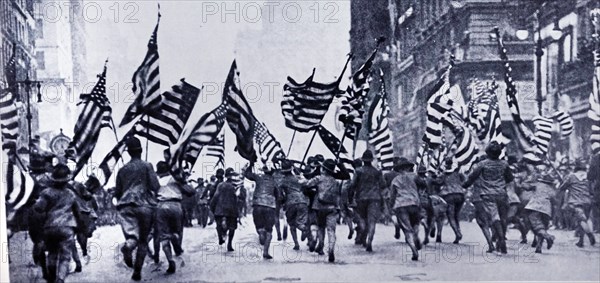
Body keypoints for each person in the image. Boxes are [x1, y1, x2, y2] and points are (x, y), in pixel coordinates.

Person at [114, 137, 160, 281]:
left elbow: (118, 193)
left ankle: (128, 246)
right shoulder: (147, 165)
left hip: (125, 206)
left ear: (128, 152)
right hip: (144, 205)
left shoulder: (122, 170)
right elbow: (155, 186)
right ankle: (137, 272)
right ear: (140, 151)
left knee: (132, 236)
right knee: (143, 240)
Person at [33, 164, 82, 283]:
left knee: (52, 253)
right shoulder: (71, 194)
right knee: (65, 257)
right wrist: (80, 226)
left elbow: (39, 208)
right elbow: (78, 212)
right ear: (67, 180)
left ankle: (51, 276)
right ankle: (60, 279)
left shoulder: (47, 193)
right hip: (67, 227)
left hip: (50, 227)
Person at [462, 142, 513, 254]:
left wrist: (464, 185)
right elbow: (509, 179)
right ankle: (502, 239)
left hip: (487, 194)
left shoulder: (482, 164)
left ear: (488, 152)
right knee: (503, 218)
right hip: (502, 193)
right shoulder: (504, 164)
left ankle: (501, 239)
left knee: (495, 218)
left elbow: (472, 178)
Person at [304, 159, 350, 262]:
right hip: (333, 207)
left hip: (319, 207)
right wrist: (340, 164)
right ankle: (331, 250)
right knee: (331, 230)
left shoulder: (318, 178)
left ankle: (320, 245)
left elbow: (306, 184)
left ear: (323, 169)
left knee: (320, 227)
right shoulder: (336, 180)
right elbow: (347, 175)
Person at [154, 162, 195, 274]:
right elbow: (191, 191)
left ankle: (170, 260)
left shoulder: (155, 181)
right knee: (177, 232)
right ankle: (175, 240)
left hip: (161, 206)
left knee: (163, 236)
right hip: (176, 206)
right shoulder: (175, 179)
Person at [348, 150, 385, 252]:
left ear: (363, 160)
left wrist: (350, 197)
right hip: (375, 198)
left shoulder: (358, 171)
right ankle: (369, 241)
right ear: (371, 160)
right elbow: (383, 185)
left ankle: (363, 232)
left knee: (362, 219)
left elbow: (352, 185)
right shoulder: (377, 172)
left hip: (361, 198)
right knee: (372, 221)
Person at [244, 164, 281, 259]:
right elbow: (279, 195)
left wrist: (250, 164)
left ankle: (260, 232)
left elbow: (247, 174)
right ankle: (265, 252)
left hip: (258, 205)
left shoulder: (258, 178)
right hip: (270, 206)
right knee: (269, 230)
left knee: (259, 226)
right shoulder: (274, 181)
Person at [389, 157, 422, 261]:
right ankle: (416, 236)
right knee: (416, 224)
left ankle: (413, 250)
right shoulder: (415, 177)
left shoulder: (395, 180)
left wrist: (391, 207)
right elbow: (424, 185)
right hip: (414, 204)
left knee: (407, 230)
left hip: (401, 205)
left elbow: (392, 196)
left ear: (399, 169)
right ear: (408, 168)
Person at [560, 161, 596, 247]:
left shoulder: (571, 176)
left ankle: (590, 235)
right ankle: (581, 241)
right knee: (583, 221)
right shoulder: (588, 177)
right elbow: (592, 190)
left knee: (581, 221)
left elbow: (562, 188)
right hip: (587, 202)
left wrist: (565, 183)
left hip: (576, 202)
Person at [278, 159, 310, 250]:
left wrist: (282, 203)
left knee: (292, 224)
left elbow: (280, 196)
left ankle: (296, 244)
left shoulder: (282, 181)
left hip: (290, 203)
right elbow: (306, 185)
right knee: (301, 222)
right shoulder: (298, 178)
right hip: (302, 201)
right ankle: (305, 230)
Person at [522, 172, 556, 253]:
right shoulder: (552, 189)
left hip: (535, 206)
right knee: (542, 227)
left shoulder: (537, 184)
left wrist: (529, 180)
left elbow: (524, 186)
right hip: (547, 209)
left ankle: (549, 237)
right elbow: (554, 200)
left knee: (537, 227)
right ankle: (539, 247)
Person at [210, 168, 240, 252]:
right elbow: (237, 199)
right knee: (232, 227)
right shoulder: (235, 186)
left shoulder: (220, 185)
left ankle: (220, 238)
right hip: (231, 210)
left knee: (219, 225)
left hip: (220, 209)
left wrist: (212, 207)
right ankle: (229, 244)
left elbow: (215, 197)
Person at [437, 158, 465, 244]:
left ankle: (458, 233)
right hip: (460, 195)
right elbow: (464, 180)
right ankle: (458, 233)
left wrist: (436, 175)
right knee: (456, 216)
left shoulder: (443, 175)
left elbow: (438, 183)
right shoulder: (457, 173)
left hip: (449, 196)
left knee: (451, 216)